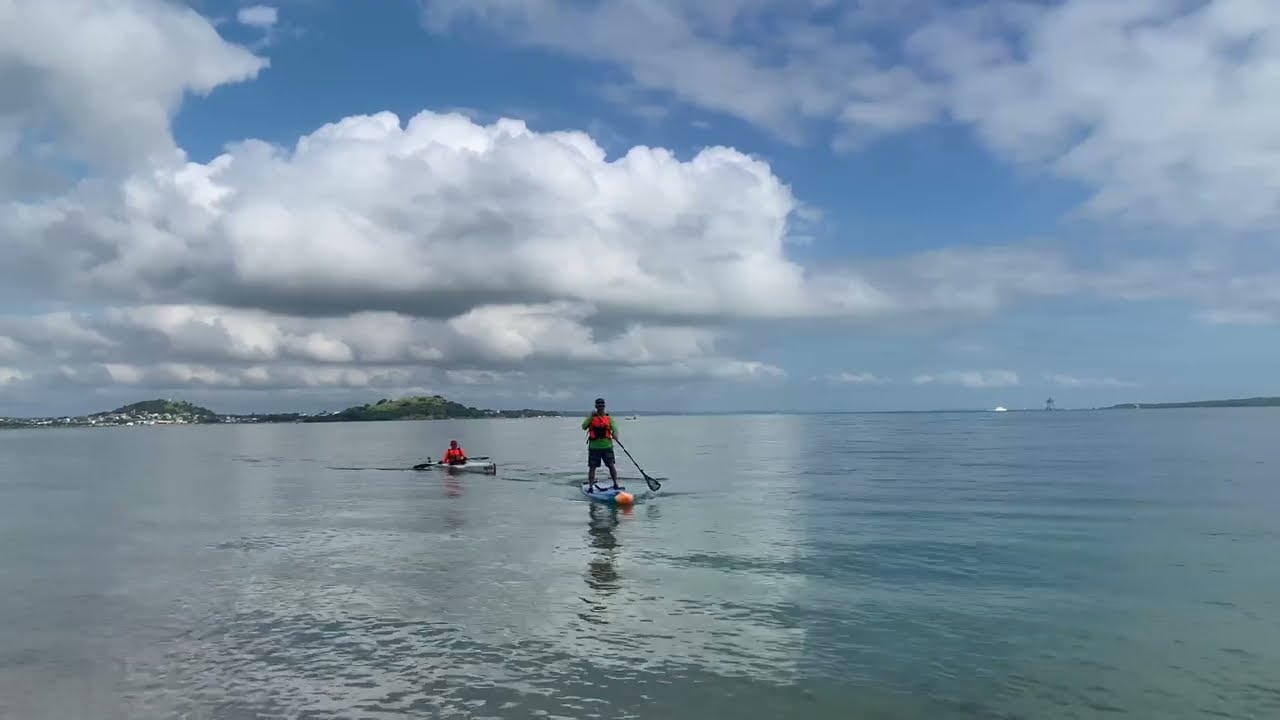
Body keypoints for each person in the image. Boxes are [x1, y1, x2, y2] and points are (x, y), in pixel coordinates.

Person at [582, 397, 619, 491]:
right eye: (598, 406)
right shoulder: (591, 418)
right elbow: (583, 426)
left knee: (611, 465)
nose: (600, 407)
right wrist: (590, 416)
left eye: (602, 405)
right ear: (595, 406)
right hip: (594, 447)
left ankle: (615, 484)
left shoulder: (609, 418)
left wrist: (615, 435)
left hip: (607, 446)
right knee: (592, 467)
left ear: (604, 406)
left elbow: (615, 428)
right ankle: (590, 486)